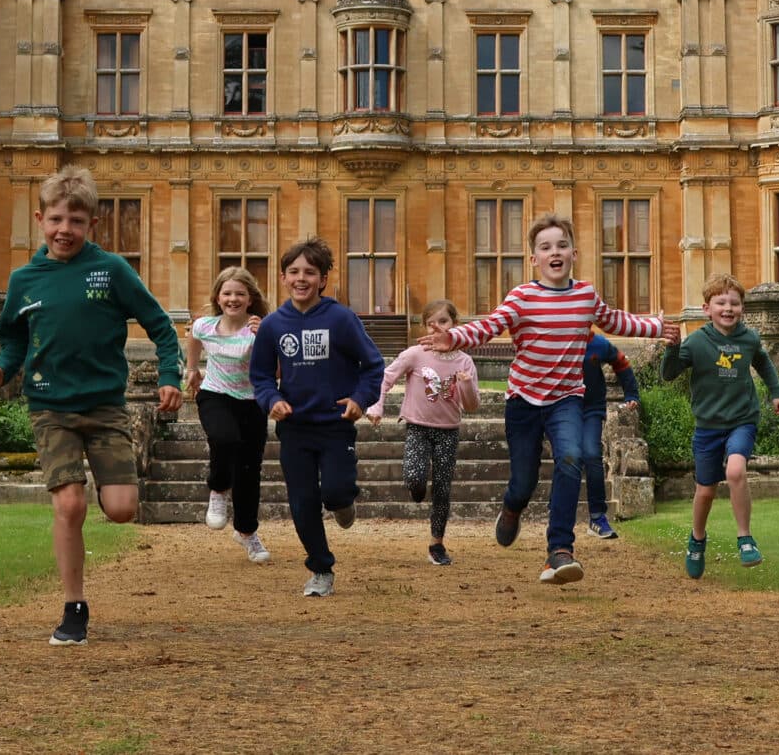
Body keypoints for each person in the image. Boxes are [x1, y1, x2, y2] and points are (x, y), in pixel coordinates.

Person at [0, 167, 183, 646]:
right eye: (55, 219)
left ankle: (96, 498)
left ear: (92, 224)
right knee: (69, 504)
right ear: (39, 220)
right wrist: (1, 370)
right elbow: (13, 339)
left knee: (122, 509)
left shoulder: (110, 271)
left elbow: (161, 326)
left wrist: (169, 377)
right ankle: (74, 608)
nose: (64, 229)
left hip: (106, 407)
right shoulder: (25, 280)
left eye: (75, 220)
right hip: (50, 407)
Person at [423, 214, 677, 585]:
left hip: (567, 399)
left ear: (573, 253)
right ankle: (512, 507)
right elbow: (490, 325)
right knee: (523, 482)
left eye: (561, 245)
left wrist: (656, 327)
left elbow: (614, 320)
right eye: (545, 247)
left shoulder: (585, 295)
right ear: (534, 259)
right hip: (523, 400)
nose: (554, 252)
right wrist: (455, 337)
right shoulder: (522, 297)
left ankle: (559, 551)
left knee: (571, 459)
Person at [251, 237, 384, 597]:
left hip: (335, 425)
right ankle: (321, 569)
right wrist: (271, 400)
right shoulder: (272, 325)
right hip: (294, 428)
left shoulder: (341, 319)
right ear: (282, 278)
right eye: (294, 271)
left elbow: (373, 367)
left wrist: (359, 400)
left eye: (310, 272)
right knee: (302, 501)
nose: (301, 278)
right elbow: (261, 376)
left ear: (323, 279)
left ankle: (343, 504)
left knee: (337, 492)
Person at [659, 273, 779, 578]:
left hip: (743, 420)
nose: (728, 308)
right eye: (721, 302)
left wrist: (777, 392)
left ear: (742, 307)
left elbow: (763, 362)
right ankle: (697, 539)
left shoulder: (749, 338)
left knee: (736, 471)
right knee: (705, 491)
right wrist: (672, 347)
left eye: (734, 302)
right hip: (708, 426)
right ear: (707, 308)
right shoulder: (698, 341)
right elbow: (668, 373)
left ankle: (745, 539)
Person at [366, 298, 481, 566]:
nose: (436, 328)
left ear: (455, 324)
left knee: (442, 487)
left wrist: (464, 385)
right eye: (431, 324)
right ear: (424, 327)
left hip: (448, 430)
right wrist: (377, 405)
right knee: (415, 478)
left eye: (443, 322)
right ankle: (416, 488)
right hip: (417, 426)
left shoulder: (465, 362)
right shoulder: (415, 354)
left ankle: (437, 543)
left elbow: (472, 405)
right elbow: (386, 377)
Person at [185, 266, 270, 563]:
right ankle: (219, 488)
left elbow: (278, 370)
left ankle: (247, 533)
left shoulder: (260, 328)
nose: (233, 298)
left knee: (249, 470)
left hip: (253, 401)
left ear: (250, 299)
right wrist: (192, 367)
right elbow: (193, 339)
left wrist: (267, 337)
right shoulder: (205, 325)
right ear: (218, 298)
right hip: (215, 393)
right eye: (227, 293)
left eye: (239, 294)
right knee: (224, 438)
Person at [576, 332, 640, 540]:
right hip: (561, 408)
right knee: (567, 458)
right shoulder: (556, 339)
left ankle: (597, 517)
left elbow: (620, 362)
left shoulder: (597, 343)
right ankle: (559, 514)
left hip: (591, 409)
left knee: (593, 455)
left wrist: (631, 394)